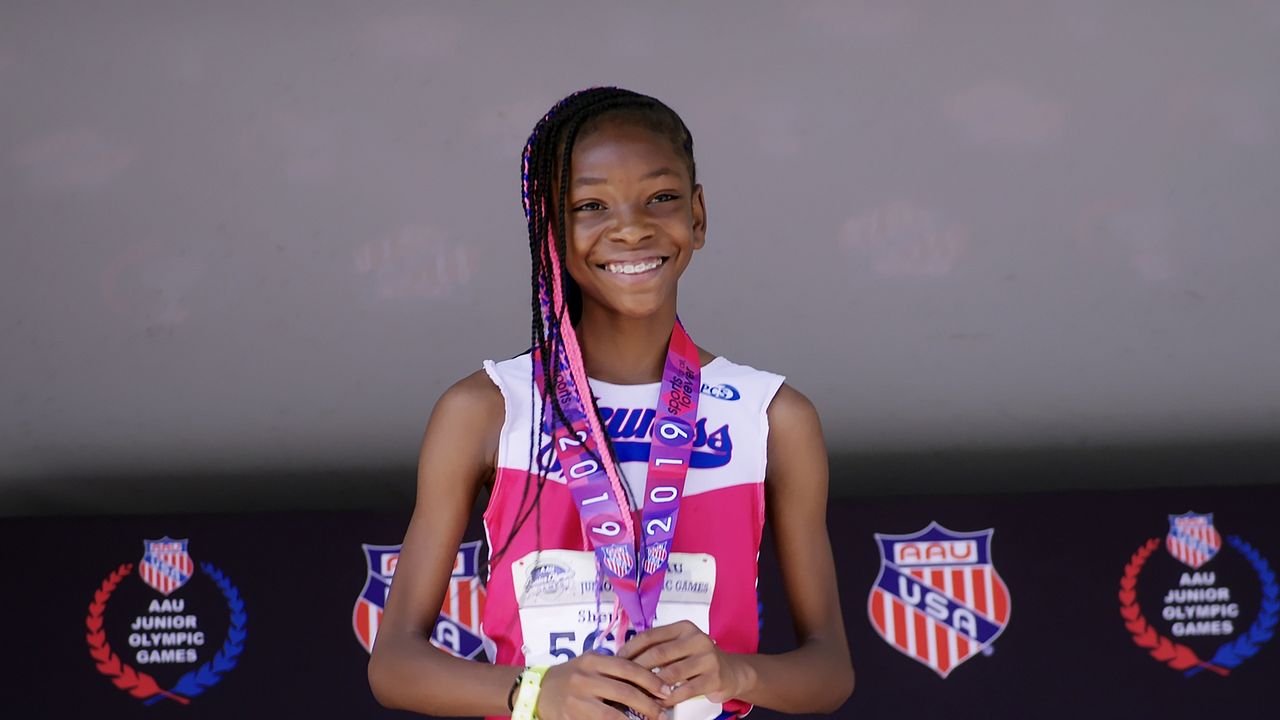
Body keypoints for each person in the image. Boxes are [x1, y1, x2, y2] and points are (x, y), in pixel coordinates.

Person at [368, 87, 853, 720]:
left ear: (699, 216)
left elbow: (830, 672)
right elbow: (395, 666)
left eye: (662, 198)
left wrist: (735, 671)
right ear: (550, 228)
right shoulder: (487, 409)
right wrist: (536, 692)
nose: (630, 225)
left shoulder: (772, 416)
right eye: (591, 205)